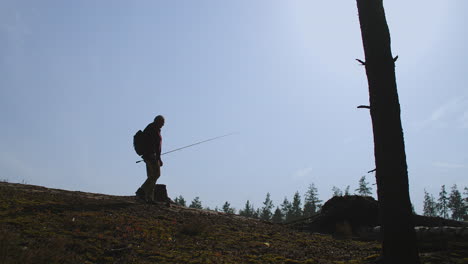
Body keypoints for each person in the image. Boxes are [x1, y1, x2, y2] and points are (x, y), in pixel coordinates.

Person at [137, 115, 165, 203]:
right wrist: (154, 156)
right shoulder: (152, 129)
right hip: (151, 156)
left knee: (151, 176)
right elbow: (152, 144)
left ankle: (148, 198)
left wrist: (159, 158)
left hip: (150, 156)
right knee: (156, 174)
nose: (163, 124)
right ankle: (142, 190)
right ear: (158, 121)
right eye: (162, 122)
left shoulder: (153, 128)